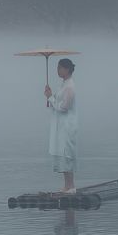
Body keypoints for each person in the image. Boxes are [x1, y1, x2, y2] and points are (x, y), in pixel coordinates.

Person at [44, 59, 78, 193]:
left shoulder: (70, 86)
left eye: (60, 68)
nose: (58, 70)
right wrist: (50, 95)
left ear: (67, 69)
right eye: (57, 68)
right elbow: (57, 101)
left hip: (67, 125)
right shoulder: (63, 84)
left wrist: (50, 98)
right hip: (61, 124)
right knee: (63, 154)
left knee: (67, 154)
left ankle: (71, 185)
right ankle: (67, 185)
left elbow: (64, 107)